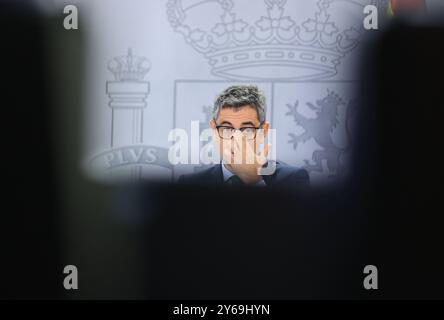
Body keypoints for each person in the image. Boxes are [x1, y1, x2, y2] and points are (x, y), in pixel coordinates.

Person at [178, 85, 309, 188]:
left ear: (263, 131)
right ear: (214, 129)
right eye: (227, 128)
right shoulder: (189, 183)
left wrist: (255, 181)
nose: (236, 138)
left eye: (247, 129)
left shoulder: (292, 179)